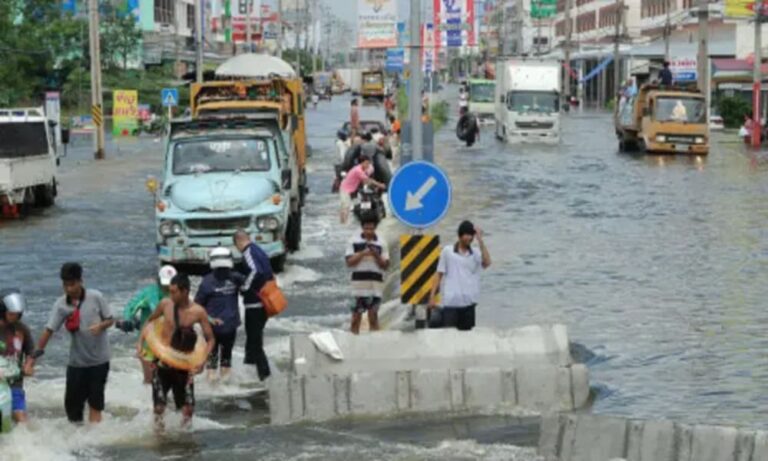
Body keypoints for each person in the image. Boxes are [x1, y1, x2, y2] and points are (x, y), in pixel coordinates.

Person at [35, 262, 114, 423]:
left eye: (72, 284)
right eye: (65, 285)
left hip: (99, 361)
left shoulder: (96, 297)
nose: (69, 289)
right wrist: (34, 355)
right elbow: (49, 330)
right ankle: (77, 440)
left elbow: (110, 319)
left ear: (80, 281)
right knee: (72, 407)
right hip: (77, 362)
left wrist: (101, 326)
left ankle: (93, 440)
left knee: (95, 403)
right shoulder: (61, 305)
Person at [141, 274, 215, 429]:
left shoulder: (198, 312)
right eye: (170, 291)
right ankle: (160, 437)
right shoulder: (165, 304)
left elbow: (210, 339)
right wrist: (140, 344)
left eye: (174, 292)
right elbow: (150, 321)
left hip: (184, 365)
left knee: (187, 410)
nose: (171, 295)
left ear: (185, 291)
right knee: (159, 408)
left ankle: (184, 441)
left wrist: (202, 362)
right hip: (162, 363)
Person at [116, 265, 177, 384]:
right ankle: (146, 401)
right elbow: (131, 307)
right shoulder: (149, 293)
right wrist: (128, 319)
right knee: (150, 380)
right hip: (148, 343)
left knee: (168, 380)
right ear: (158, 280)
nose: (166, 286)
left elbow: (193, 311)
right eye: (164, 283)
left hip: (170, 342)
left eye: (170, 283)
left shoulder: (179, 295)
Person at [428, 221, 491, 331]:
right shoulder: (447, 252)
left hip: (469, 305)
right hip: (451, 304)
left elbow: (487, 263)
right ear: (460, 235)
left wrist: (480, 240)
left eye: (471, 235)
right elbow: (439, 275)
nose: (470, 238)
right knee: (449, 338)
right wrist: (432, 296)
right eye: (467, 234)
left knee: (467, 340)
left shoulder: (475, 253)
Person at [195, 247, 244, 382]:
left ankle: (213, 387)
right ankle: (225, 386)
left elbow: (197, 306)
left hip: (212, 328)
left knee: (212, 359)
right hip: (229, 326)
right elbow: (250, 288)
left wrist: (209, 319)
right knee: (226, 358)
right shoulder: (236, 278)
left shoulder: (207, 281)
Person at [234, 230, 274, 381]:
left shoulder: (248, 252)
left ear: (238, 242)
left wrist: (245, 287)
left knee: (255, 343)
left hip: (255, 304)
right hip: (263, 304)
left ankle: (265, 376)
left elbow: (256, 271)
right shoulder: (259, 251)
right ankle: (250, 375)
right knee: (252, 342)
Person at [345, 217, 390, 334]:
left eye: (371, 228)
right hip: (358, 287)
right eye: (366, 228)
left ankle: (374, 345)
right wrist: (362, 253)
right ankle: (353, 343)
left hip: (375, 287)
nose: (369, 231)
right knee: (355, 319)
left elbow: (385, 265)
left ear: (375, 228)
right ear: (362, 228)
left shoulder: (381, 243)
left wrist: (376, 255)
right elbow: (349, 262)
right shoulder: (353, 241)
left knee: (373, 318)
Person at [0, 289, 35, 423]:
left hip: (15, 382)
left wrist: (28, 365)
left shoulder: (22, 329)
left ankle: (27, 442)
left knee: (20, 417)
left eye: (18, 314)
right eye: (11, 314)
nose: (15, 317)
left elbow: (31, 351)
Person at [339, 154, 386, 224]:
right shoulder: (358, 170)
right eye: (366, 163)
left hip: (353, 190)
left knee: (348, 206)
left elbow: (367, 179)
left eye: (368, 163)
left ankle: (344, 222)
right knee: (345, 207)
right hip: (345, 189)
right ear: (362, 163)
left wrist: (374, 186)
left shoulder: (364, 168)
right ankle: (343, 224)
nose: (368, 165)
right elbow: (368, 180)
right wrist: (380, 185)